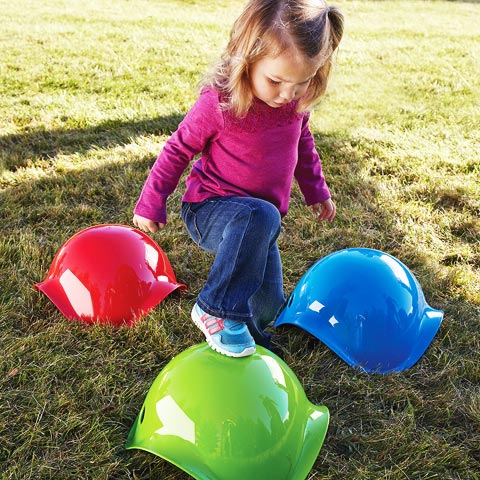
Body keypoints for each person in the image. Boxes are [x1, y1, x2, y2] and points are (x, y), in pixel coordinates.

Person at [133, 0, 344, 357]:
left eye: (303, 82)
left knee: (266, 305)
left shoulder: (293, 104)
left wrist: (316, 191)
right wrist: (151, 201)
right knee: (260, 217)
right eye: (276, 81)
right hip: (209, 209)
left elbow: (302, 146)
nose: (288, 94)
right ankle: (213, 308)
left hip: (259, 224)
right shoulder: (221, 104)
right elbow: (177, 150)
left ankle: (251, 349)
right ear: (246, 61)